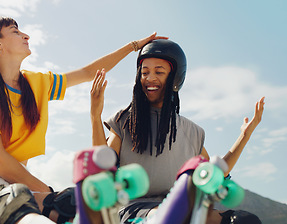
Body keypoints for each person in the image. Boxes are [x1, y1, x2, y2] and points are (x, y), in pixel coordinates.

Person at [0, 16, 167, 224]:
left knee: (73, 207)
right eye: (15, 31)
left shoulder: (36, 83)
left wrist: (134, 46)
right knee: (13, 200)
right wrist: (47, 193)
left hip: (18, 186)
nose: (25, 35)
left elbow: (89, 73)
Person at [89, 39, 264, 224]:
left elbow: (215, 173)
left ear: (175, 78)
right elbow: (103, 166)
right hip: (134, 210)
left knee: (245, 221)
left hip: (182, 208)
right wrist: (95, 115)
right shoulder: (124, 121)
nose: (149, 78)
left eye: (159, 72)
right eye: (144, 72)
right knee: (172, 216)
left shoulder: (192, 132)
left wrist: (245, 136)